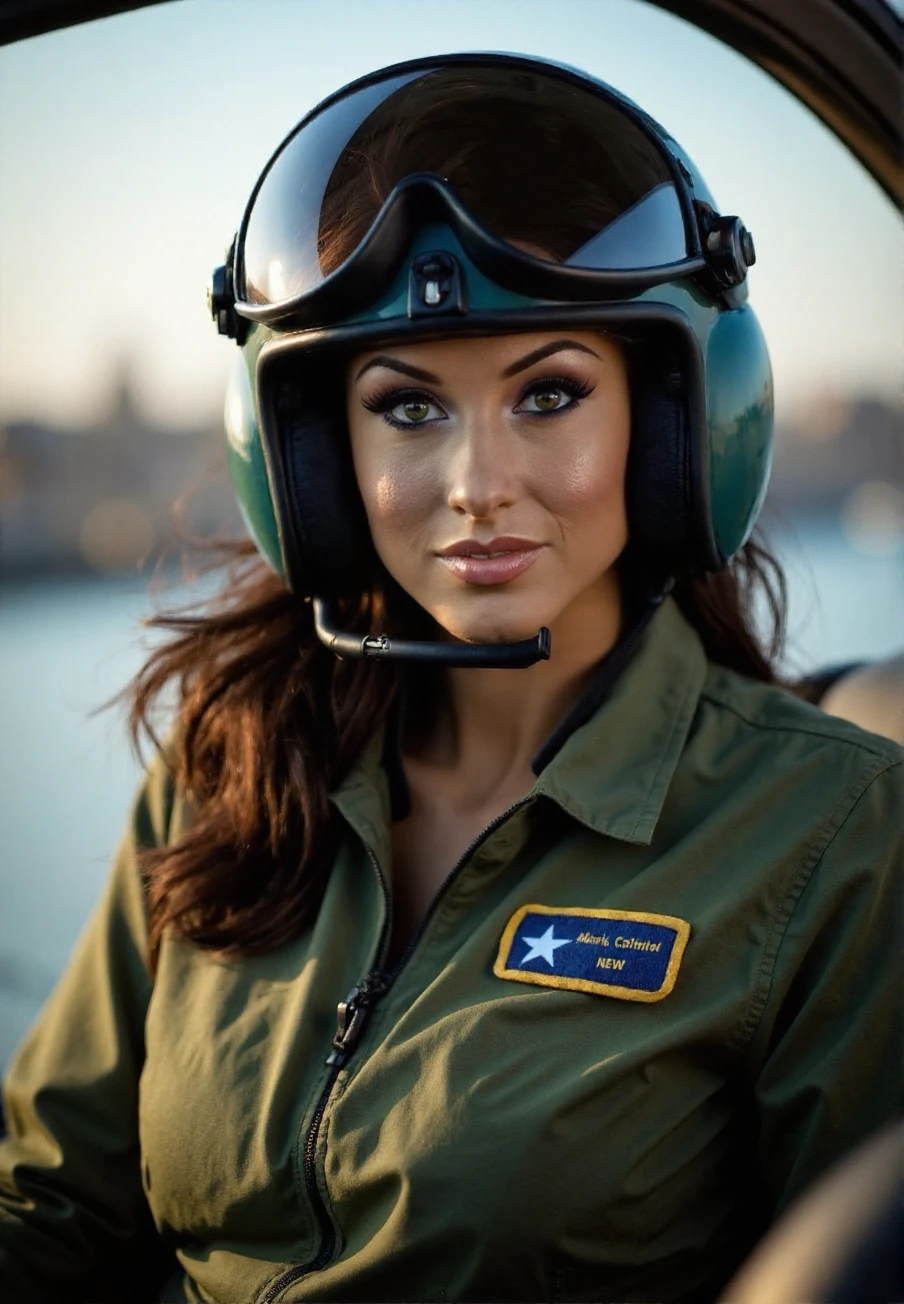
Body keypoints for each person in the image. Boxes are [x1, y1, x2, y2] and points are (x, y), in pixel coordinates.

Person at [0, 53, 901, 1304]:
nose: (478, 483)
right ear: (312, 456)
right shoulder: (233, 757)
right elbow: (48, 1196)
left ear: (671, 420)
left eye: (547, 393)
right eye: (408, 409)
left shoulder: (832, 833)